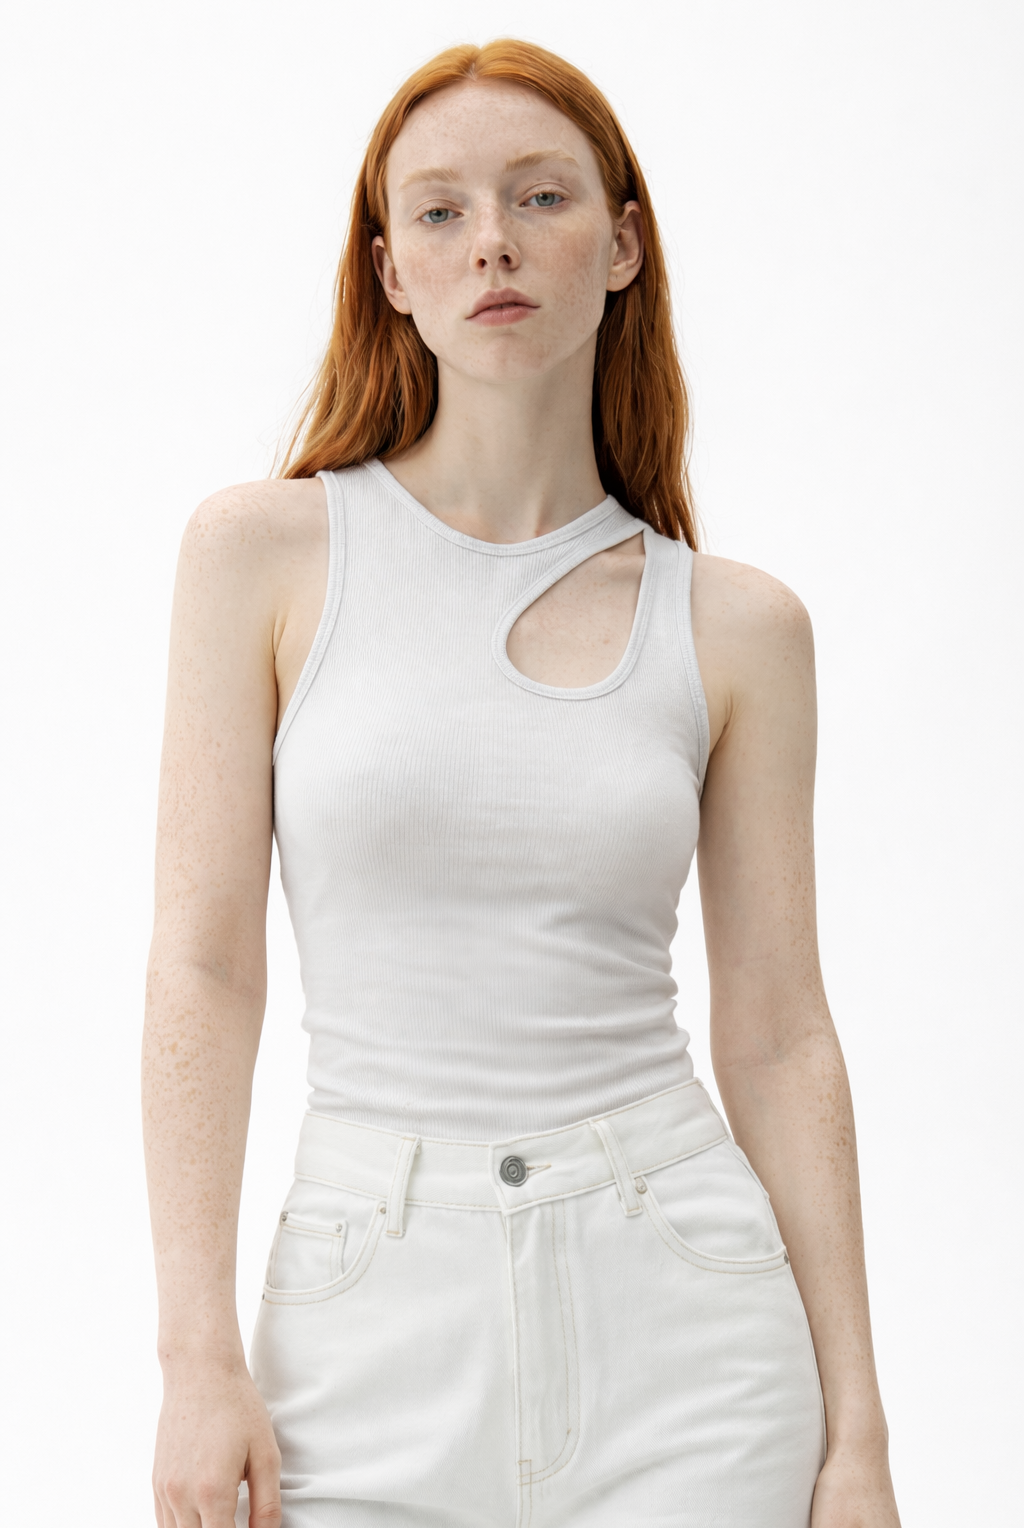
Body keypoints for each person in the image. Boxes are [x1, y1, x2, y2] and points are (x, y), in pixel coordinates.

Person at [143, 38, 901, 1528]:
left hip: (687, 1321)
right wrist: (192, 1356)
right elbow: (203, 969)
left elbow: (779, 1034)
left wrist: (858, 1436)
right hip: (367, 1319)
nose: (490, 238)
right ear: (392, 273)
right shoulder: (262, 559)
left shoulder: (738, 628)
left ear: (622, 245)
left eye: (540, 196)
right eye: (440, 211)